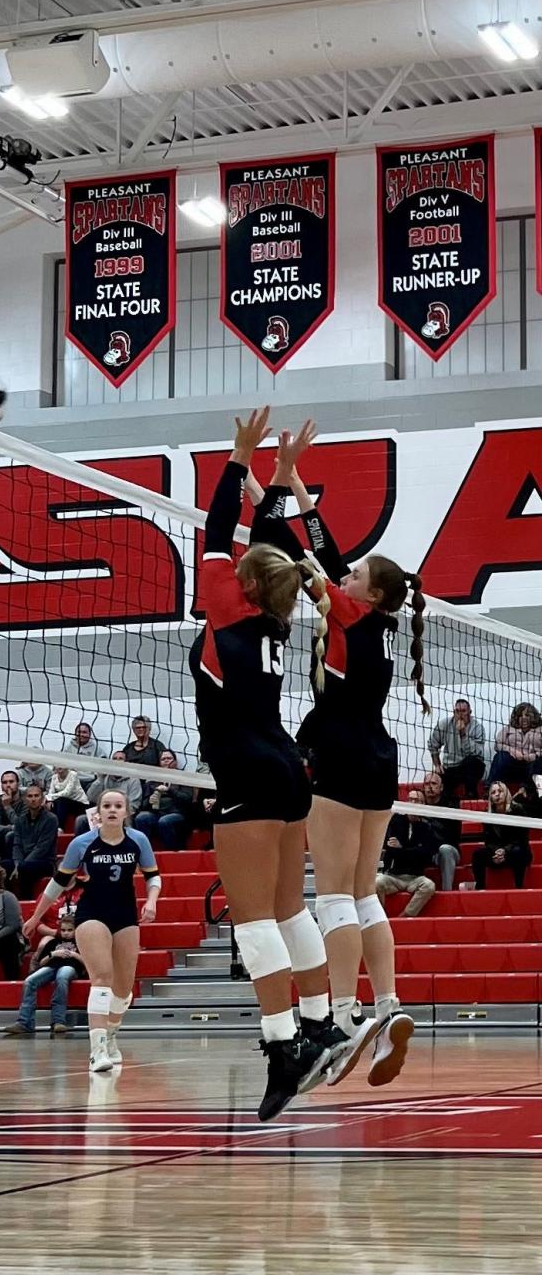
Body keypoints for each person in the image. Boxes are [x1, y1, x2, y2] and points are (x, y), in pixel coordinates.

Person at [187, 411, 345, 1121]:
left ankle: (284, 1044)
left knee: (254, 921)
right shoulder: (276, 614)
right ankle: (320, 1022)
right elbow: (270, 544)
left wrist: (237, 460)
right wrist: (277, 478)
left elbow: (225, 533)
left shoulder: (228, 607)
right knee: (289, 909)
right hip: (285, 767)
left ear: (240, 584)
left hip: (248, 769)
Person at [274, 428, 428, 1091]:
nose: (348, 573)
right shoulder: (383, 626)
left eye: (357, 575)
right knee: (364, 892)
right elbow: (326, 545)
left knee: (333, 894)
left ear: (368, 593)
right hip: (380, 760)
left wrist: (262, 486)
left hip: (338, 754)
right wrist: (283, 477)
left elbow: (308, 550)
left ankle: (342, 1014)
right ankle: (388, 1004)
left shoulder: (346, 613)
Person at [23, 790, 160, 1072]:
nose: (112, 810)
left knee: (123, 987)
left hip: (125, 915)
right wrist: (36, 917)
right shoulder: (82, 843)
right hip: (91, 913)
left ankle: (110, 1035)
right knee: (102, 977)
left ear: (126, 812)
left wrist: (151, 900)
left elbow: (152, 876)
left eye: (118, 806)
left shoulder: (138, 840)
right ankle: (97, 1051)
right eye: (107, 806)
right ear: (98, 812)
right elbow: (57, 883)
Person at [5, 914, 86, 1038]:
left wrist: (73, 955)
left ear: (76, 929)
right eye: (63, 930)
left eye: (70, 930)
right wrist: (53, 954)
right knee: (29, 981)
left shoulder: (81, 943)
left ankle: (58, 1021)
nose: (66, 933)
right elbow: (41, 962)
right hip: (51, 966)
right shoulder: (53, 942)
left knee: (62, 976)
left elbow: (88, 963)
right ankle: (24, 1022)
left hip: (71, 967)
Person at [375, 792, 438, 917]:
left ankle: (405, 915)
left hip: (415, 877)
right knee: (376, 883)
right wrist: (413, 851)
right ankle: (380, 917)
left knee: (429, 886)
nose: (413, 803)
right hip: (393, 876)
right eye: (410, 799)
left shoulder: (427, 828)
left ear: (423, 805)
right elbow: (391, 850)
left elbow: (425, 857)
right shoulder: (395, 821)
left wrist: (402, 848)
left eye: (417, 800)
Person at [472, 782, 533, 889]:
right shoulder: (487, 813)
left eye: (500, 791)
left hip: (515, 851)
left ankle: (519, 887)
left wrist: (505, 850)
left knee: (518, 852)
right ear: (490, 797)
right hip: (496, 853)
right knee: (477, 855)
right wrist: (497, 851)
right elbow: (488, 841)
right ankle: (480, 888)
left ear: (506, 793)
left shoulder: (518, 810)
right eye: (493, 792)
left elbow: (521, 839)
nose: (497, 794)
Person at [4, 785, 59, 900]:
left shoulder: (51, 819)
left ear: (42, 798)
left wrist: (19, 866)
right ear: (24, 799)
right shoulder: (20, 820)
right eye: (30, 796)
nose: (33, 799)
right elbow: (17, 844)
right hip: (23, 860)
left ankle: (25, 901)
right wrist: (17, 864)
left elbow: (42, 848)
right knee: (4, 865)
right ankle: (9, 900)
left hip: (45, 862)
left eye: (36, 796)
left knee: (25, 868)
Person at [134, 750, 193, 850]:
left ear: (175, 762)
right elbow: (143, 805)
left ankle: (171, 853)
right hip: (156, 813)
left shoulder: (183, 777)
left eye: (169, 758)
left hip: (178, 814)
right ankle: (145, 852)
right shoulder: (152, 779)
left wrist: (169, 790)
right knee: (141, 817)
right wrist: (149, 801)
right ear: (159, 763)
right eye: (163, 759)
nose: (166, 761)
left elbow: (187, 799)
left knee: (164, 821)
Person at [428, 699, 486, 800]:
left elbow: (475, 752)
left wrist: (463, 734)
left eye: (463, 711)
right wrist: (437, 764)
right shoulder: (444, 724)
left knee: (472, 762)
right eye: (457, 711)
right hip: (451, 767)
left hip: (471, 767)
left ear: (469, 712)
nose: (460, 715)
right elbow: (433, 744)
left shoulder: (477, 728)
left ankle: (471, 796)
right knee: (438, 783)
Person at [74, 754, 143, 833]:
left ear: (126, 763)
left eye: (120, 758)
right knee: (81, 820)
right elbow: (90, 798)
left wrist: (117, 812)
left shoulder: (133, 780)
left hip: (125, 814)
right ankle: (84, 844)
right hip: (104, 813)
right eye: (114, 758)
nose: (117, 761)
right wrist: (100, 779)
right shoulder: (104, 778)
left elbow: (134, 805)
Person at [420, 771, 462, 890]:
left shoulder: (450, 805)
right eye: (427, 784)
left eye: (433, 783)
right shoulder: (417, 805)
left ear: (441, 787)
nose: (430, 787)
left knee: (445, 849)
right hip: (425, 851)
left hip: (447, 851)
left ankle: (447, 892)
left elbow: (451, 836)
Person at [489, 703, 542, 790]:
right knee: (501, 756)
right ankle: (491, 788)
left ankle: (527, 792)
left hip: (533, 767)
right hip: (513, 766)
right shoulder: (508, 729)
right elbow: (497, 745)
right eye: (520, 715)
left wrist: (534, 756)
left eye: (527, 715)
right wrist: (511, 751)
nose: (523, 718)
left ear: (533, 717)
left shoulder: (540, 730)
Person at [66, 722, 103, 790]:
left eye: (84, 732)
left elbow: (104, 765)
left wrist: (95, 775)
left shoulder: (97, 749)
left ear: (89, 734)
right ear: (75, 734)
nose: (81, 735)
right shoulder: (68, 748)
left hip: (90, 782)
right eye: (79, 732)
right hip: (72, 781)